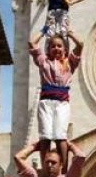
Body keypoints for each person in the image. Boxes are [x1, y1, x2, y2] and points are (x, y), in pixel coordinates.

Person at [27, 32, 83, 166]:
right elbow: (32, 43)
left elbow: (80, 45)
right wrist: (43, 32)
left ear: (65, 49)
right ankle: (45, 167)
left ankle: (63, 168)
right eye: (53, 46)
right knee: (45, 136)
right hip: (46, 102)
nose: (56, 48)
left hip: (62, 103)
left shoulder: (70, 63)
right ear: (48, 49)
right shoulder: (43, 61)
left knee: (60, 136)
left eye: (59, 46)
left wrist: (70, 34)